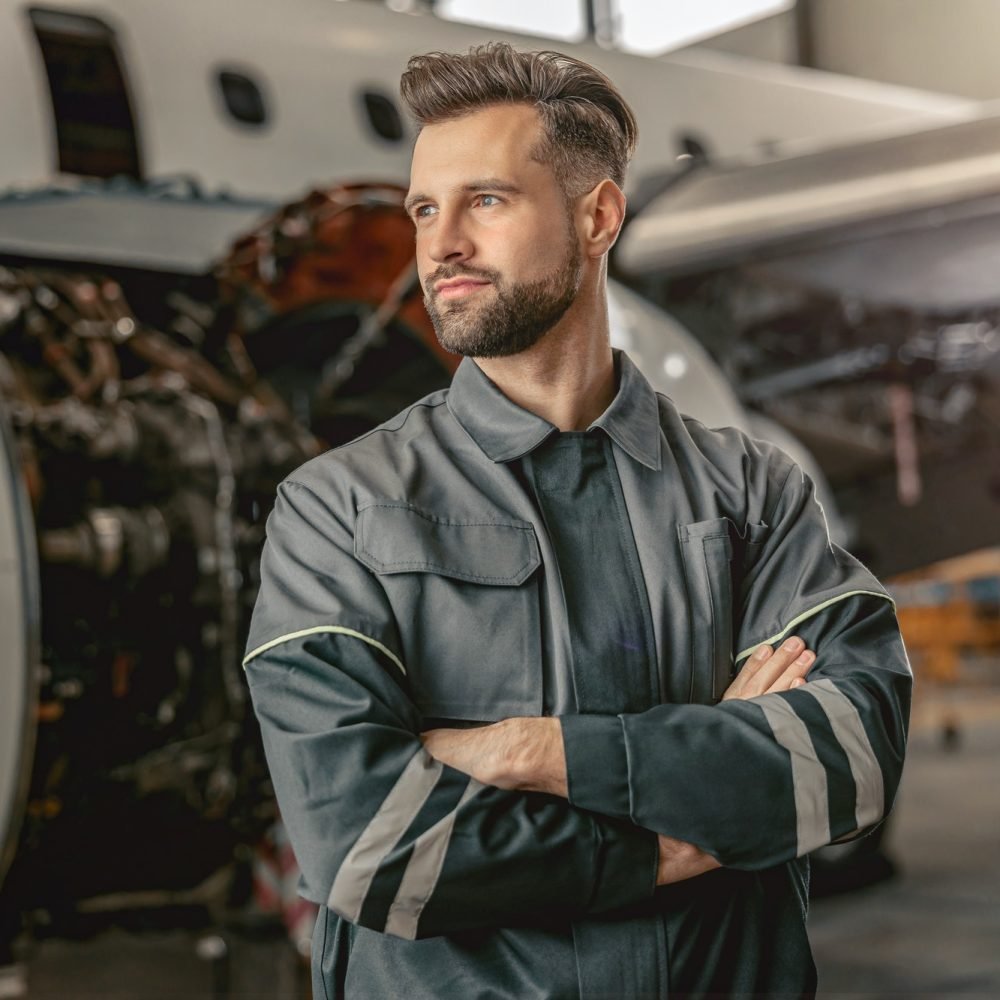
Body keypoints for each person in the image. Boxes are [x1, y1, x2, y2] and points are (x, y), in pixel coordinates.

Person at [243, 43, 912, 998]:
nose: (440, 247)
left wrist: (532, 752)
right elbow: (367, 846)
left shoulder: (755, 494)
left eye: (486, 201)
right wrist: (689, 824)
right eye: (424, 210)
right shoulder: (334, 511)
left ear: (597, 215)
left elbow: (845, 766)